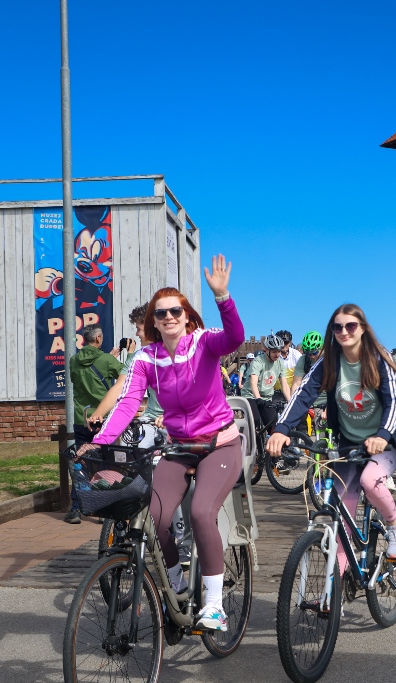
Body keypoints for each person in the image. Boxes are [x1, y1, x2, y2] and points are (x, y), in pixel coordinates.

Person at [83, 254, 243, 632]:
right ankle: (175, 583)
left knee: (201, 513)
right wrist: (101, 443)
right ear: (153, 322)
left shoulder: (203, 343)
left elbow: (235, 338)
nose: (169, 317)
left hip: (219, 445)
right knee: (155, 518)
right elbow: (127, 404)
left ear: (186, 317)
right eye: (161, 313)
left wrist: (222, 297)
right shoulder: (145, 358)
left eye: (175, 311)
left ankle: (214, 605)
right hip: (180, 447)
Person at [267, 303, 396, 569]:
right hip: (349, 444)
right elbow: (303, 394)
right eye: (337, 327)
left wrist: (382, 435)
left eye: (351, 326)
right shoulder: (329, 362)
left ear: (363, 329)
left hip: (386, 443)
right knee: (342, 520)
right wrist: (281, 429)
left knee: (370, 481)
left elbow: (395, 401)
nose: (344, 331)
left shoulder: (378, 359)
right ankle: (337, 585)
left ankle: (395, 526)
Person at [65, 324, 124, 523]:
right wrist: (111, 359)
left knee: (81, 461)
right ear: (98, 338)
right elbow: (126, 377)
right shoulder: (106, 360)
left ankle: (76, 508)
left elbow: (79, 379)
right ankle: (103, 509)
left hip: (82, 418)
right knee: (105, 462)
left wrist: (106, 360)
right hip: (103, 419)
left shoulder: (73, 360)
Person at [241, 334, 291, 431]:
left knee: (274, 424)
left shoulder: (280, 363)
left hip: (267, 397)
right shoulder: (258, 362)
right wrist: (258, 398)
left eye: (279, 351)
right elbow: (253, 383)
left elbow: (284, 385)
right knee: (254, 420)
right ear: (267, 350)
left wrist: (290, 401)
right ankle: (252, 439)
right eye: (274, 351)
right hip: (251, 395)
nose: (277, 354)